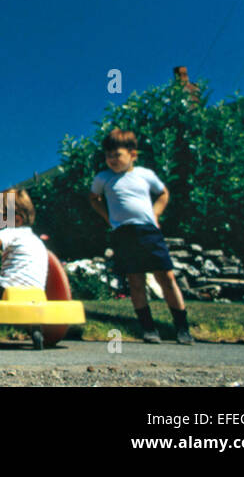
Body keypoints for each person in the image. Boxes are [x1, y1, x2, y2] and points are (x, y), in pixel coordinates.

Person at [88, 128, 193, 345]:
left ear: (132, 154)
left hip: (148, 231)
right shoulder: (103, 179)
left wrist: (155, 213)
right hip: (123, 233)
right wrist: (108, 218)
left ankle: (182, 328)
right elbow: (94, 199)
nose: (112, 160)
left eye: (117, 155)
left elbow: (163, 193)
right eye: (108, 156)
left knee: (166, 277)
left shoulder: (145, 175)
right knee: (135, 280)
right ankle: (148, 328)